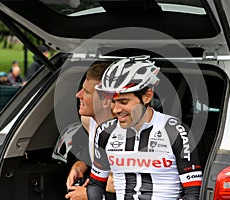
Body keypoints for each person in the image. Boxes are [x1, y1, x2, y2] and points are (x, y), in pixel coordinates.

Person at [87, 56, 202, 200]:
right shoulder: (105, 132)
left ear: (147, 96)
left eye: (123, 102)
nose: (115, 110)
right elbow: (96, 184)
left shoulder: (174, 131)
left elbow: (193, 193)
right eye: (113, 101)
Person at [65, 62, 116, 200]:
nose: (78, 95)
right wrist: (81, 165)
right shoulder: (88, 121)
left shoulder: (128, 135)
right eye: (82, 89)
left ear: (106, 100)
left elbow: (136, 184)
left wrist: (90, 193)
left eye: (87, 92)